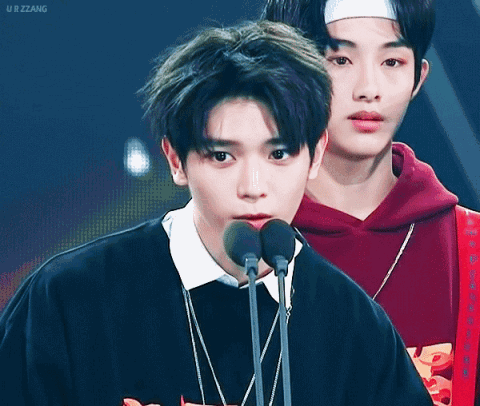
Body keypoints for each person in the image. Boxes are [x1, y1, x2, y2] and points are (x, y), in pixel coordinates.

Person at [0, 20, 432, 406]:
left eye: (279, 154)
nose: (254, 188)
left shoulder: (356, 328)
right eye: (222, 156)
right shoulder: (67, 300)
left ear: (316, 154)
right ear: (176, 160)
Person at [262, 0, 480, 404]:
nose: (368, 89)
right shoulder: (237, 245)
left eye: (392, 62)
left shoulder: (470, 249)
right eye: (341, 60)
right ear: (287, 73)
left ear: (418, 77)